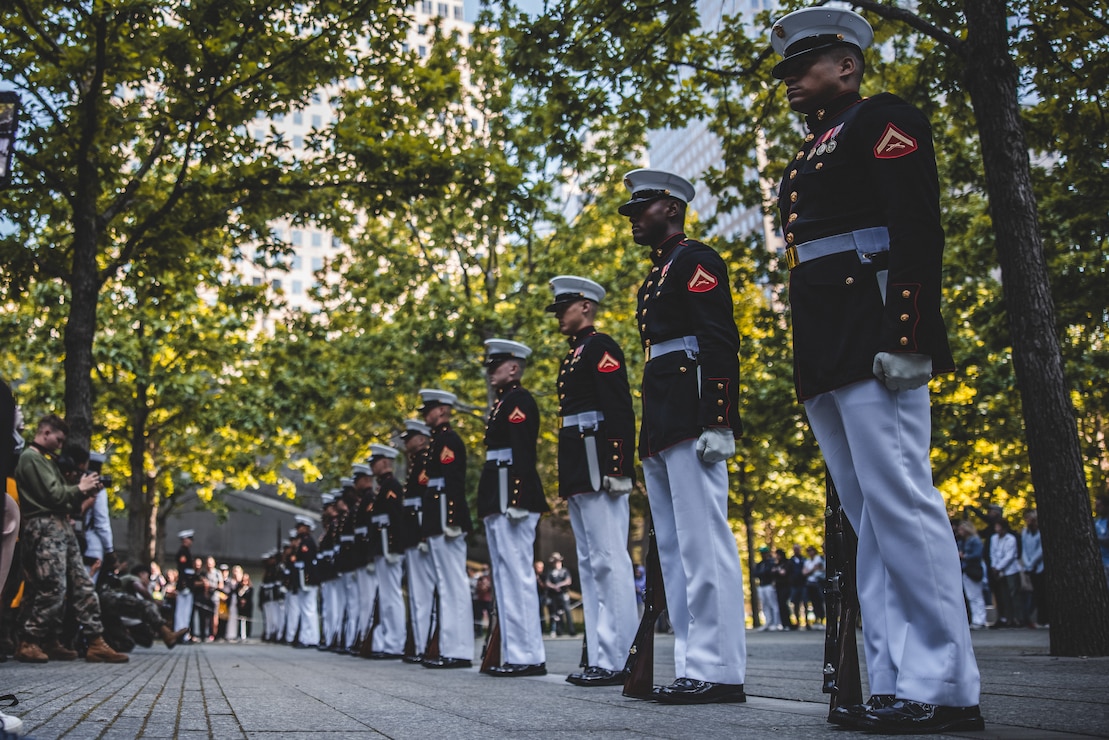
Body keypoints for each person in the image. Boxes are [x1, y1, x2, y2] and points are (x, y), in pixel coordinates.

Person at [768, 6, 982, 732]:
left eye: (803, 67)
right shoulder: (811, 148)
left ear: (847, 66)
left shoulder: (881, 120)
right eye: (787, 71)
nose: (791, 80)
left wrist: (911, 331)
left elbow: (916, 225)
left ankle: (946, 685)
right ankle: (894, 678)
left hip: (872, 329)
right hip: (828, 343)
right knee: (867, 516)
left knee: (901, 503)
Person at [620, 168, 747, 704]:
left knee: (703, 541)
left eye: (640, 210)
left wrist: (720, 418)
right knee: (672, 548)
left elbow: (719, 338)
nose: (633, 221)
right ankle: (694, 664)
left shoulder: (695, 260)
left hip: (691, 408)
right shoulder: (658, 272)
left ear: (671, 208)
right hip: (663, 413)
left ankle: (719, 670)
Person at [546, 274, 639, 686]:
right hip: (578, 464)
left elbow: (619, 409)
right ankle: (601, 654)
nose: (559, 317)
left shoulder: (600, 347)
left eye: (563, 308)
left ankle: (620, 658)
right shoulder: (575, 353)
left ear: (585, 306)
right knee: (589, 562)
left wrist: (619, 467)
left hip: (598, 460)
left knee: (608, 559)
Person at [13, 413, 127, 663]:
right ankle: (30, 640)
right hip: (44, 528)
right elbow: (54, 496)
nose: (60, 445)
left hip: (58, 527)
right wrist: (80, 489)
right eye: (59, 438)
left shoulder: (44, 460)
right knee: (51, 587)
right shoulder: (30, 458)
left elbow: (62, 498)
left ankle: (92, 641)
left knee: (80, 584)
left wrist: (81, 492)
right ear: (45, 433)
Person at [478, 339, 549, 677]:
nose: (491, 372)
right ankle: (514, 652)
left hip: (512, 494)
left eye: (497, 366)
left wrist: (518, 498)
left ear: (514, 368)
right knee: (504, 577)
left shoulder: (518, 400)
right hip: (499, 493)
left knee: (517, 575)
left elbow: (523, 453)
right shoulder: (504, 402)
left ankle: (528, 655)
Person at [417, 389, 475, 669]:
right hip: (437, 518)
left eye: (429, 409)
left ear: (442, 410)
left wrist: (452, 520)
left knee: (454, 584)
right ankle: (450, 647)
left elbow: (453, 482)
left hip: (445, 518)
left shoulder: (448, 439)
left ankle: (460, 649)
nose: (426, 415)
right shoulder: (436, 441)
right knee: (446, 584)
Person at [398, 420, 436, 661]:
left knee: (424, 591)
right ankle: (420, 644)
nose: (406, 442)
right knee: (417, 592)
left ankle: (425, 644)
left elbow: (424, 501)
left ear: (421, 439)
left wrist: (423, 532)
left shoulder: (424, 461)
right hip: (413, 531)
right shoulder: (415, 464)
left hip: (420, 529)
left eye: (410, 437)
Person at [367, 444, 407, 660]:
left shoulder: (391, 485)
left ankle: (395, 643)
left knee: (392, 596)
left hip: (389, 547)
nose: (372, 467)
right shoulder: (382, 487)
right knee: (386, 596)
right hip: (382, 547)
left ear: (384, 463)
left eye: (375, 463)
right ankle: (388, 641)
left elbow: (395, 518)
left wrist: (393, 546)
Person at [289, 515, 321, 647]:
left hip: (308, 580)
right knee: (305, 610)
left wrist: (307, 581)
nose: (298, 529)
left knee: (309, 610)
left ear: (307, 528)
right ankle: (306, 637)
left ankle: (312, 639)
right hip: (302, 580)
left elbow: (308, 564)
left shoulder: (308, 542)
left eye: (301, 527)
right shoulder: (302, 542)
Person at [988, 518, 1022, 629]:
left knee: (1013, 594)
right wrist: (994, 566)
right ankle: (1006, 618)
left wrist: (999, 567)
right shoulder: (994, 538)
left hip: (1010, 570)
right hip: (999, 570)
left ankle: (1017, 618)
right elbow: (993, 553)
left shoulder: (1010, 539)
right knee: (1003, 595)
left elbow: (1010, 556)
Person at [955, 521, 987, 630]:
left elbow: (977, 555)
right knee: (971, 596)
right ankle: (976, 619)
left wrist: (964, 556)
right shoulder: (962, 542)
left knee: (976, 596)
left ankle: (980, 619)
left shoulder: (974, 541)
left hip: (972, 570)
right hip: (966, 571)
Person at [1020, 510, 1045, 628]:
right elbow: (1024, 549)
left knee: (1042, 593)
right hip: (1030, 566)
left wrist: (1033, 562)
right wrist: (1028, 563)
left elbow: (1041, 550)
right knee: (1034, 593)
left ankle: (1044, 619)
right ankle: (1034, 619)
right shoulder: (1025, 532)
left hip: (1040, 566)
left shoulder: (1041, 532)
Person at [544, 553, 576, 638]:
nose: (556, 563)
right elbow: (547, 582)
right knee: (557, 613)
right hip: (555, 595)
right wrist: (554, 586)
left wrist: (560, 585)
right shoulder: (551, 572)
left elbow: (568, 581)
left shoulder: (564, 571)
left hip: (563, 593)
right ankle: (559, 630)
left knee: (567, 611)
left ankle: (571, 630)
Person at [173, 530, 196, 641]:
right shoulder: (183, 552)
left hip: (187, 585)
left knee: (185, 612)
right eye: (189, 539)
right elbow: (183, 571)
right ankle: (180, 633)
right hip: (185, 586)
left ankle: (184, 634)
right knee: (182, 612)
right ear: (184, 540)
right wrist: (184, 585)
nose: (190, 541)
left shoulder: (186, 551)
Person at [753, 547, 780, 631]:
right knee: (765, 605)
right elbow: (755, 573)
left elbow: (770, 572)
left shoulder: (771, 563)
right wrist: (764, 573)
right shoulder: (760, 564)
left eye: (764, 553)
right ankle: (768, 622)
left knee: (773, 604)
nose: (763, 555)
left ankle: (776, 623)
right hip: (762, 586)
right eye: (761, 553)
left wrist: (764, 573)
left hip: (769, 585)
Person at [802, 546, 825, 628]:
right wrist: (812, 570)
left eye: (811, 551)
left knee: (820, 601)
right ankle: (816, 619)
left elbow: (820, 568)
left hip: (818, 582)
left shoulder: (819, 559)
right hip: (809, 583)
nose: (809, 553)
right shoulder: (807, 561)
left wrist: (809, 571)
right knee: (813, 602)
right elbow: (804, 572)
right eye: (808, 551)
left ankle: (822, 619)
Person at [788, 544, 807, 630]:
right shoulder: (791, 561)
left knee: (805, 602)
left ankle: (807, 622)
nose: (796, 550)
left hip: (803, 584)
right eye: (795, 549)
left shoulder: (804, 560)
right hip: (794, 585)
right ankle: (797, 622)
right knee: (795, 603)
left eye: (798, 549)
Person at [1096, 495, 1109, 591]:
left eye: (1100, 505)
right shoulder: (1097, 522)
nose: (1097, 508)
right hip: (1098, 564)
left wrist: (1093, 537)